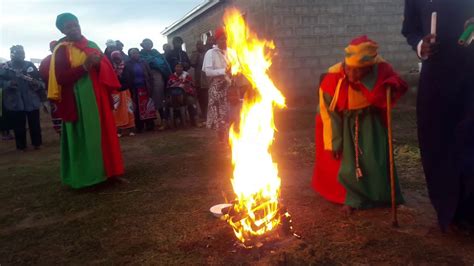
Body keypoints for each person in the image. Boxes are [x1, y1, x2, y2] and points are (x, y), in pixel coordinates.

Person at [312, 36, 408, 214]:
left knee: (376, 160)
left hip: (370, 123)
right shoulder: (333, 77)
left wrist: (391, 85)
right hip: (345, 124)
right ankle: (351, 199)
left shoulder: (381, 68)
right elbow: (328, 113)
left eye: (358, 71)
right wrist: (335, 141)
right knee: (348, 165)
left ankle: (386, 197)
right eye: (349, 69)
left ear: (369, 68)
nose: (351, 75)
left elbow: (394, 82)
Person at [402, 0, 474, 231]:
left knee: (469, 141)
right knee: (436, 142)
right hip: (436, 78)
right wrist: (420, 44)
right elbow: (410, 29)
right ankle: (447, 211)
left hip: (470, 75)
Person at [48, 13, 124, 188]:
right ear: (62, 30)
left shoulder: (91, 45)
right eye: (69, 27)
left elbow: (106, 68)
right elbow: (61, 78)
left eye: (76, 25)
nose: (74, 29)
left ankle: (111, 172)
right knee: (87, 137)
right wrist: (84, 66)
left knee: (105, 134)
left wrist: (98, 64)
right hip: (79, 101)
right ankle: (88, 177)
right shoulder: (62, 50)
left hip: (99, 99)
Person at [0, 45, 46, 151]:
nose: (22, 55)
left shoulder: (29, 65)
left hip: (31, 100)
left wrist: (36, 84)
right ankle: (21, 146)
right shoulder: (5, 67)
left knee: (34, 123)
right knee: (18, 125)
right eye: (19, 53)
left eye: (22, 53)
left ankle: (37, 143)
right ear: (12, 55)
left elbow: (39, 79)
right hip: (15, 102)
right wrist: (8, 83)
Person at [202, 27, 231, 142]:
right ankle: (221, 137)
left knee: (229, 112)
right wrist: (224, 71)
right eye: (222, 39)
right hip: (217, 87)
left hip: (230, 86)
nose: (224, 41)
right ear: (217, 40)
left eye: (226, 39)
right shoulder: (210, 53)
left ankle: (232, 136)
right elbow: (208, 72)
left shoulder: (231, 51)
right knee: (219, 112)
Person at [139, 38, 171, 129]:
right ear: (143, 45)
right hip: (146, 77)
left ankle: (164, 120)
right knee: (148, 99)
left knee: (160, 97)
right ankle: (151, 123)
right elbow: (145, 64)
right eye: (146, 44)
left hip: (159, 75)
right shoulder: (141, 54)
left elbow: (163, 63)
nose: (148, 45)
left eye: (150, 44)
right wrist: (153, 61)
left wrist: (155, 62)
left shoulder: (155, 52)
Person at [123, 48, 157, 132]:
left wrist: (151, 85)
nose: (135, 54)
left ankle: (150, 125)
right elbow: (127, 77)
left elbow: (149, 74)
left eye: (137, 53)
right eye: (133, 53)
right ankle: (139, 126)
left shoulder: (144, 62)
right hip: (135, 89)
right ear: (130, 55)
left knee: (148, 106)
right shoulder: (127, 64)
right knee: (137, 108)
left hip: (145, 87)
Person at [167, 62, 201, 127]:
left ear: (183, 68)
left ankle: (195, 120)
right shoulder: (172, 77)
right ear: (174, 68)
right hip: (174, 97)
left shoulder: (187, 76)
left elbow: (190, 86)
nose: (178, 68)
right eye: (177, 67)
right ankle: (173, 121)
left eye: (180, 67)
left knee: (191, 101)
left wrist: (182, 87)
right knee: (168, 103)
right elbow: (169, 87)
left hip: (186, 95)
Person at [39, 40, 62, 134]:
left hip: (56, 91)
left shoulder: (46, 61)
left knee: (59, 112)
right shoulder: (46, 61)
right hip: (55, 91)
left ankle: (62, 132)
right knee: (57, 112)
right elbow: (44, 77)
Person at [110, 51, 135, 137]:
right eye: (115, 58)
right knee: (117, 111)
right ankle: (119, 131)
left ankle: (131, 129)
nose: (117, 60)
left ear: (120, 57)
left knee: (129, 109)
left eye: (118, 58)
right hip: (115, 91)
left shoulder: (126, 66)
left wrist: (122, 84)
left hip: (125, 90)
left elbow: (130, 78)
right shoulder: (111, 67)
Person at [190, 40, 209, 120]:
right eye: (197, 45)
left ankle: (208, 114)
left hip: (206, 79)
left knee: (207, 97)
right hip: (198, 79)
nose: (199, 46)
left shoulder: (207, 53)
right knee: (200, 98)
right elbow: (192, 64)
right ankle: (203, 114)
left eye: (200, 44)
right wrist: (196, 56)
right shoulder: (194, 53)